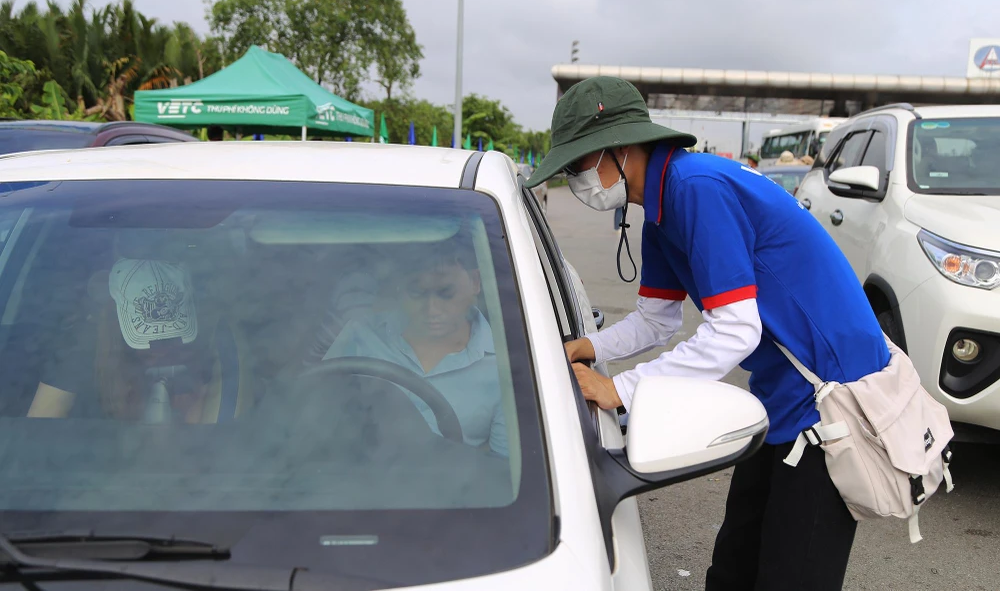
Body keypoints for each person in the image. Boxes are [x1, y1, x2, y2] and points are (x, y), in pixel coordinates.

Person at [525, 76, 889, 590]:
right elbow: (658, 320)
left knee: (791, 576)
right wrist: (591, 347)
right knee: (733, 569)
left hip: (831, 407)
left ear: (619, 149)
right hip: (781, 399)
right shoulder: (659, 213)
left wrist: (621, 390)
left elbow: (736, 330)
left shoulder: (696, 189)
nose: (577, 181)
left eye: (579, 164)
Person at [322, 235, 508, 457]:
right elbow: (319, 415)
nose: (432, 309)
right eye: (417, 293)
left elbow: (502, 469)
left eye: (446, 293)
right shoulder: (361, 335)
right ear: (401, 288)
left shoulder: (505, 364)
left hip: (456, 488)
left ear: (475, 282)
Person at [27, 256, 253, 423]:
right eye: (148, 340)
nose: (160, 349)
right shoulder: (81, 349)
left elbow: (220, 436)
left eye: (170, 338)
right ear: (115, 316)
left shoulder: (209, 343)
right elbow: (40, 428)